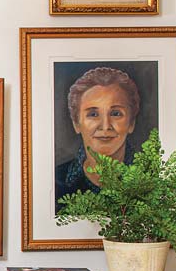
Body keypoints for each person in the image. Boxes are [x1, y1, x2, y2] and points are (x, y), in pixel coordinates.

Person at [55, 66, 141, 210]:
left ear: (131, 123)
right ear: (77, 124)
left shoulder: (153, 179)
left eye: (116, 113)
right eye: (93, 115)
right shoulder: (57, 180)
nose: (105, 126)